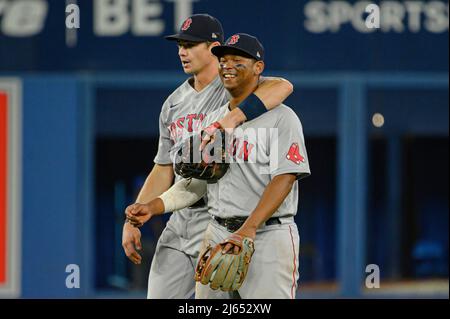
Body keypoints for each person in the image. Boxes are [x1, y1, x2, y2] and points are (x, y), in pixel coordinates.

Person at [122, 14, 294, 299]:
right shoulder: (172, 104)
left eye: (190, 45)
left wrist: (232, 118)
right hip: (181, 218)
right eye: (179, 45)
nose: (182, 51)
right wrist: (133, 220)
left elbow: (284, 86)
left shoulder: (234, 88)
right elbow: (162, 168)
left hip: (218, 219)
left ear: (214, 47)